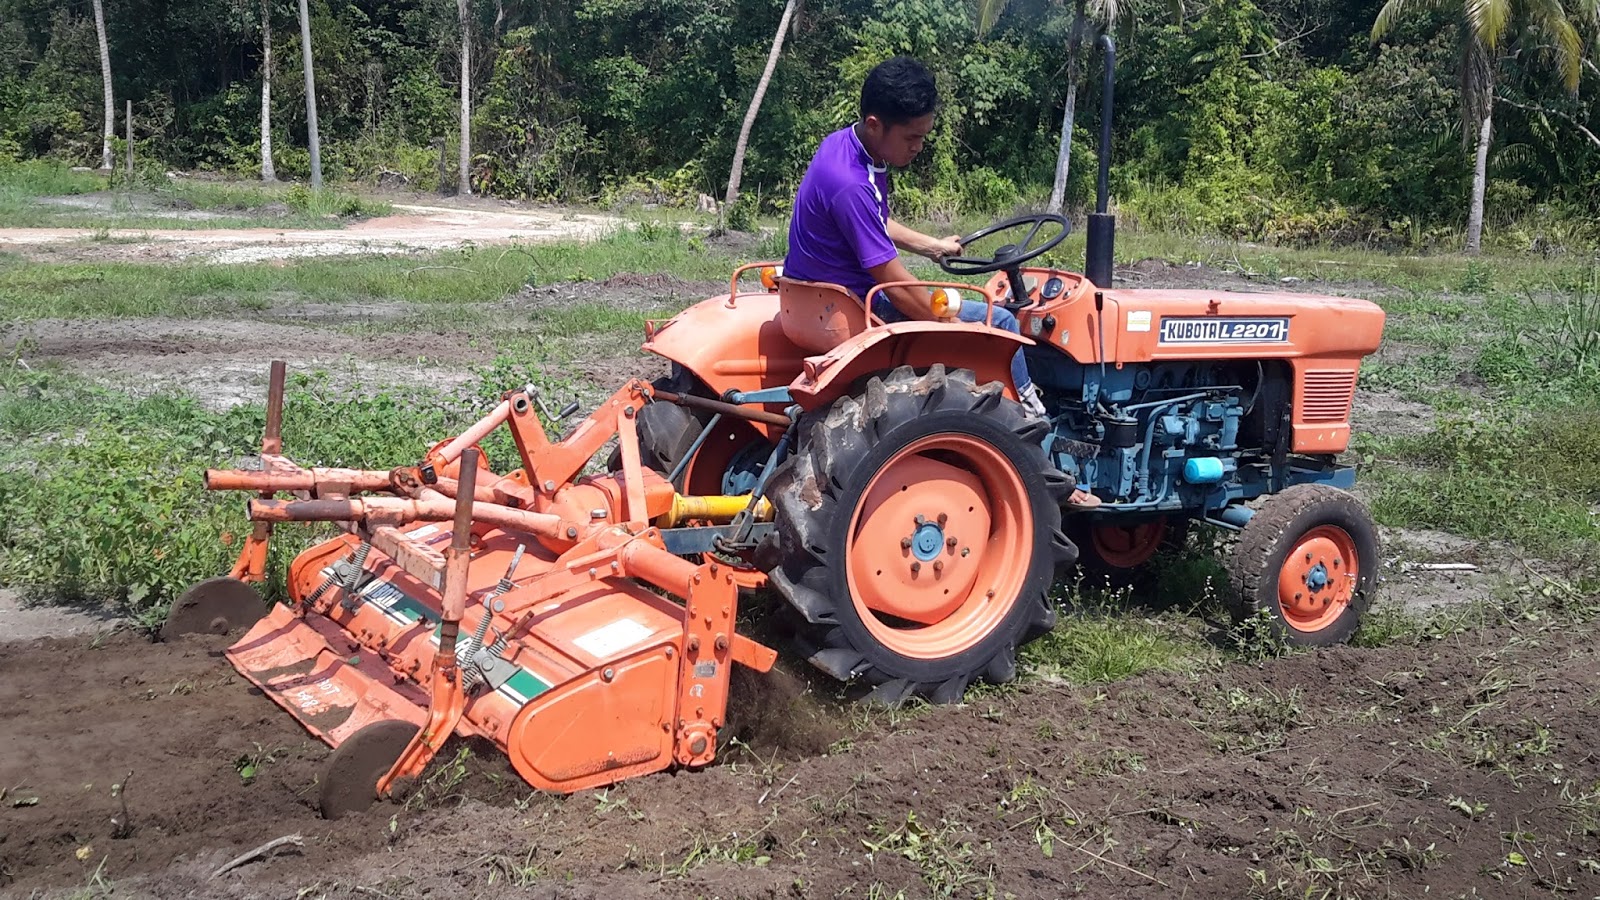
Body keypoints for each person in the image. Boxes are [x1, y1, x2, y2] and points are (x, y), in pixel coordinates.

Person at [781, 55, 1047, 418]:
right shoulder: (852, 184)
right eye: (912, 137)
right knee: (999, 321)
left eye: (923, 136)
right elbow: (897, 288)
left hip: (821, 299)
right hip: (860, 305)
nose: (919, 146)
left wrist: (932, 246)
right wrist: (954, 325)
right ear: (875, 125)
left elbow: (869, 221)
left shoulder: (841, 148)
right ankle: (1032, 417)